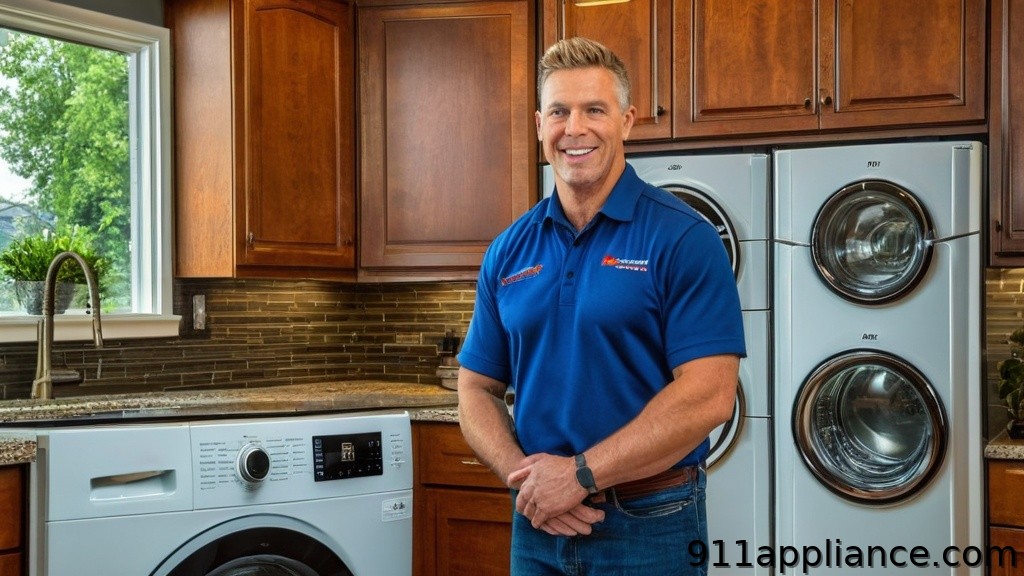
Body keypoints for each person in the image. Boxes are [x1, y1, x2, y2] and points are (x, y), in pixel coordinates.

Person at [456, 36, 746, 576]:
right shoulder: (508, 250)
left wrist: (581, 475)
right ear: (540, 124)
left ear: (627, 120)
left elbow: (709, 396)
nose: (575, 128)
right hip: (538, 526)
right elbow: (475, 389)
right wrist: (527, 478)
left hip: (651, 522)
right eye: (560, 112)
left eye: (594, 110)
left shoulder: (683, 238)